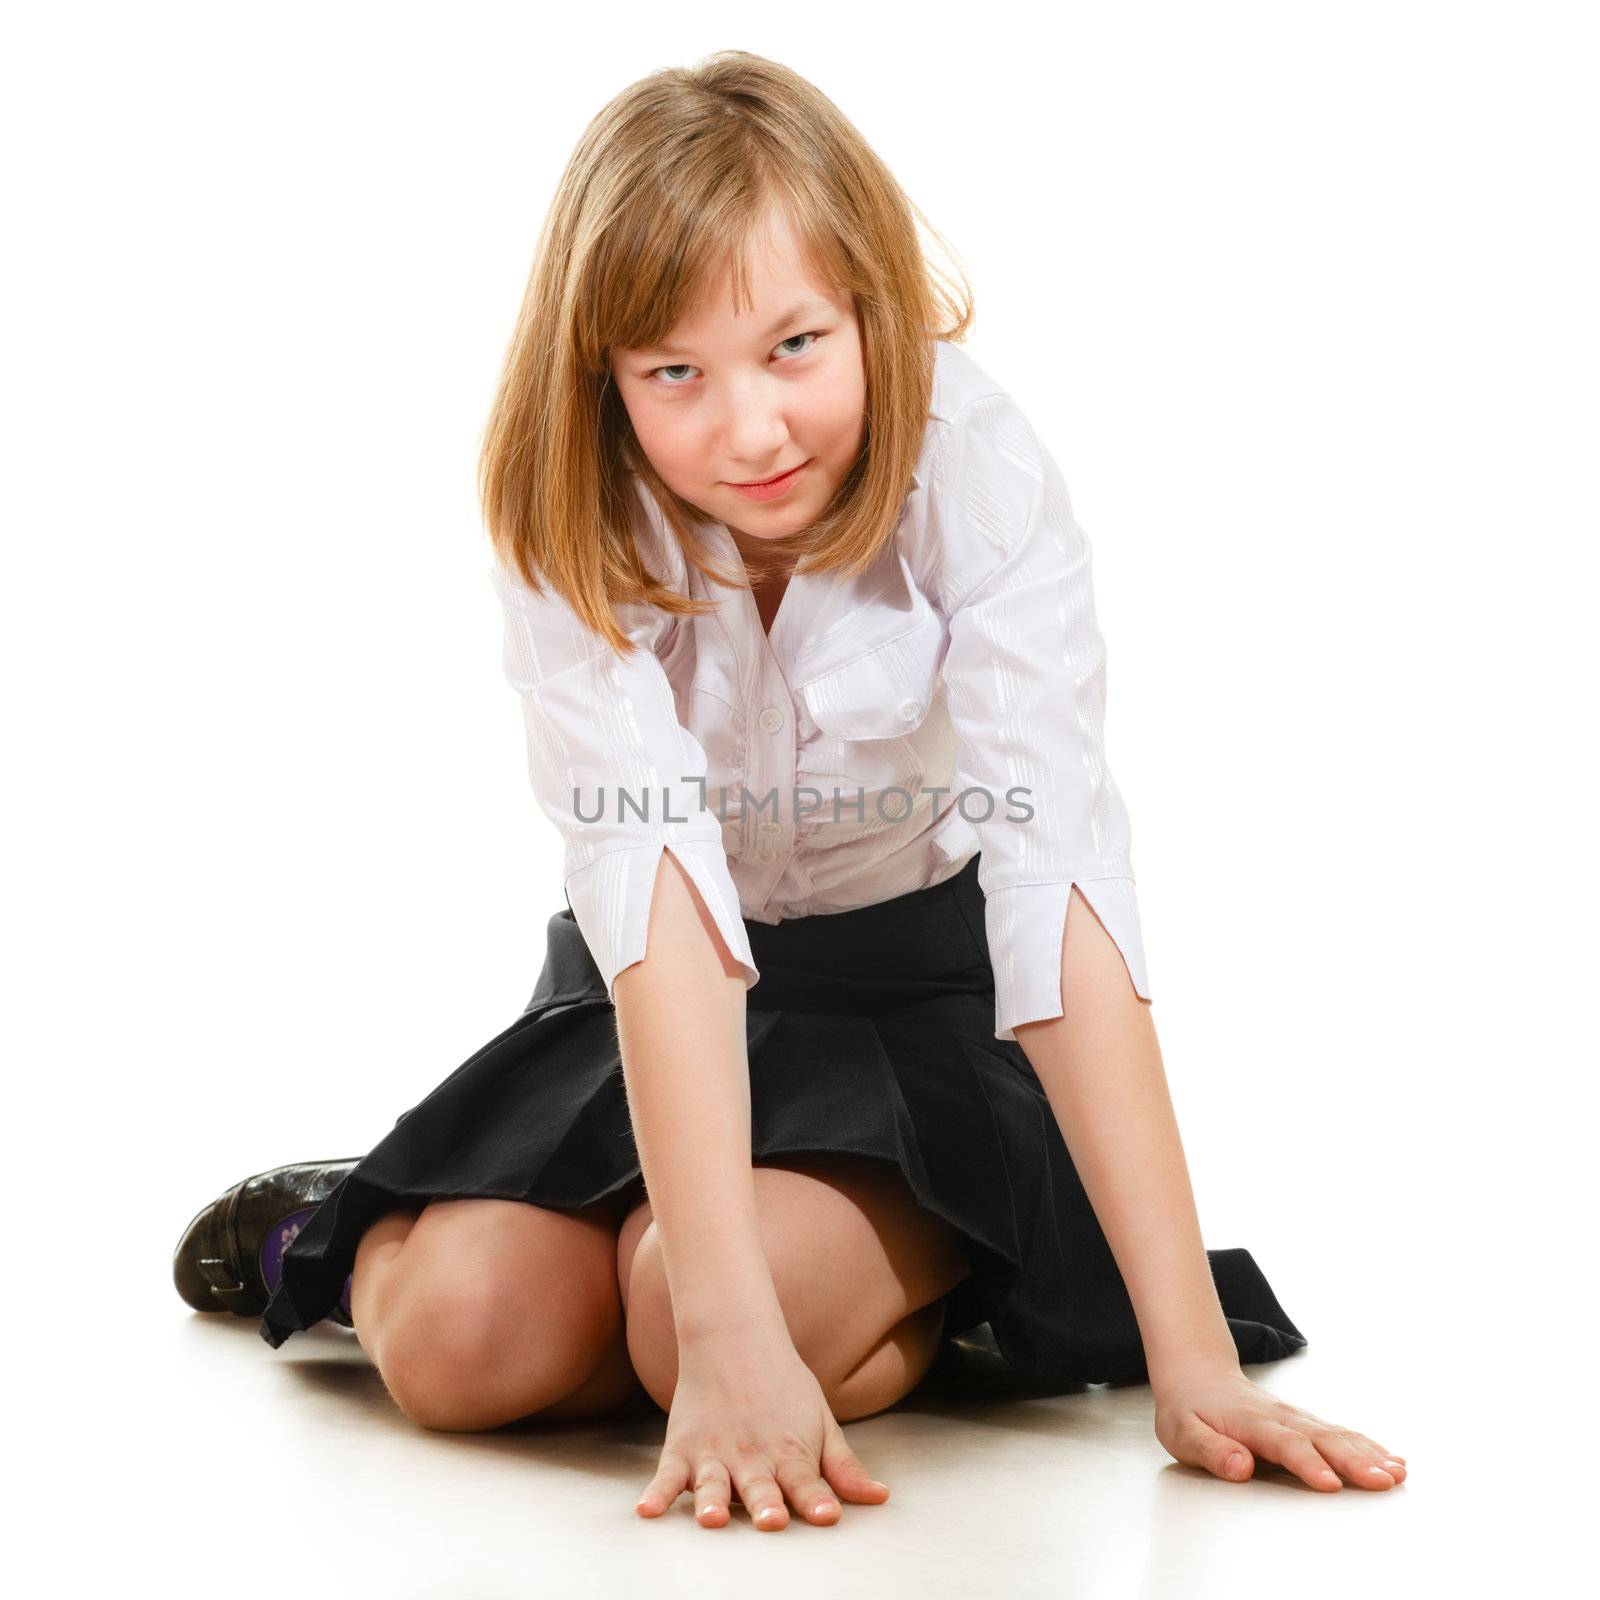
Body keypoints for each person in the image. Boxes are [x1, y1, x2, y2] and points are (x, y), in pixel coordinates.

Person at [171, 50, 1407, 1530]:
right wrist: (724, 1331)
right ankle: (343, 1219)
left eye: (797, 347)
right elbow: (658, 895)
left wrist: (1190, 1363)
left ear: (873, 304)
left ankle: (943, 1277)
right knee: (463, 1350)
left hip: (913, 1005)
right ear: (605, 378)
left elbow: (1056, 881)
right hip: (660, 994)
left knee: (669, 1314)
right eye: (673, 374)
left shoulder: (974, 463)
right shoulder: (571, 501)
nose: (748, 431)